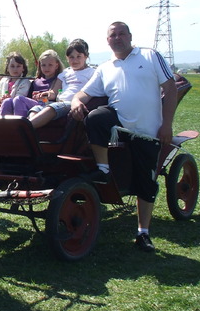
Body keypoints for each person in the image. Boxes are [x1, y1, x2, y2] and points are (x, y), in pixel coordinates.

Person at [71, 21, 176, 252]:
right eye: (112, 35)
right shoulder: (106, 67)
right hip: (119, 128)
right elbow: (84, 92)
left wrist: (166, 125)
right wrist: (76, 101)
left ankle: (143, 233)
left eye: (121, 34)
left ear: (130, 36)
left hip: (148, 132)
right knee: (96, 117)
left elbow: (170, 88)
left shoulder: (150, 56)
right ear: (107, 40)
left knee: (145, 183)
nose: (117, 38)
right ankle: (104, 169)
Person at [28, 39, 94, 129]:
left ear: (86, 57)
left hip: (73, 104)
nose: (75, 60)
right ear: (67, 58)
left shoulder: (92, 72)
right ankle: (30, 133)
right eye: (71, 57)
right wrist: (47, 94)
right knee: (36, 109)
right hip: (60, 101)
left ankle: (24, 129)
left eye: (79, 56)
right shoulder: (64, 73)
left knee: (51, 108)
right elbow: (54, 92)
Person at [0, 49, 63, 116]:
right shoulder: (36, 82)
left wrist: (43, 98)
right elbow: (29, 98)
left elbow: (57, 100)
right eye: (43, 65)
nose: (46, 68)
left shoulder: (58, 81)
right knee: (7, 101)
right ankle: (4, 125)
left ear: (56, 66)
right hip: (35, 104)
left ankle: (21, 124)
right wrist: (35, 97)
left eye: (50, 65)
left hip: (47, 105)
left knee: (19, 99)